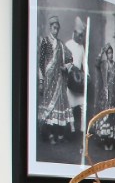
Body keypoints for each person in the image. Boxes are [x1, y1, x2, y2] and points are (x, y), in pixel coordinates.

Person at [36, 14, 70, 144]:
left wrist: (65, 67)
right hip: (48, 81)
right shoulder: (45, 42)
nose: (56, 31)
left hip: (59, 81)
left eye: (57, 28)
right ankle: (49, 135)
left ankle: (58, 134)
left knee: (58, 107)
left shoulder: (61, 44)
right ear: (50, 28)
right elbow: (40, 63)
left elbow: (69, 59)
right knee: (48, 108)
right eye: (54, 28)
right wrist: (41, 81)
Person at [63, 16, 86, 136]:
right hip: (70, 79)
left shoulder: (82, 47)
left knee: (83, 104)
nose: (80, 37)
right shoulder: (68, 44)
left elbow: (84, 63)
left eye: (82, 35)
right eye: (79, 35)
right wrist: (71, 69)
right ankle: (71, 128)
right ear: (74, 33)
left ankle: (82, 129)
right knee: (70, 105)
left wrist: (87, 75)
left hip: (79, 80)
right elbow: (65, 61)